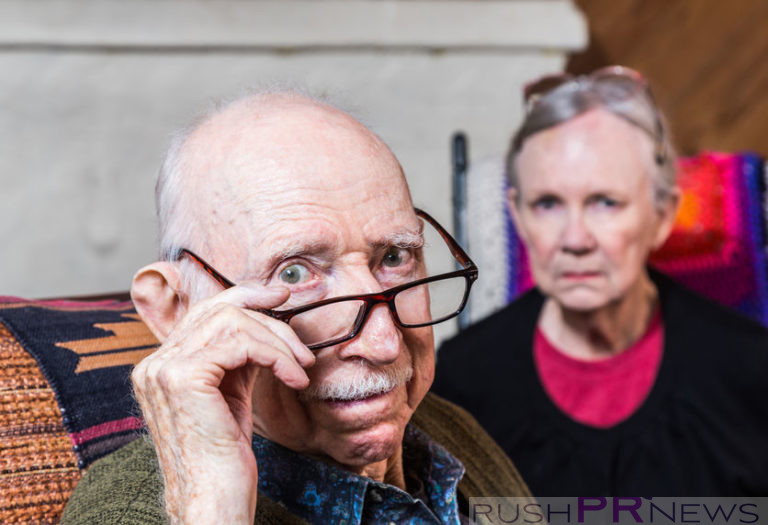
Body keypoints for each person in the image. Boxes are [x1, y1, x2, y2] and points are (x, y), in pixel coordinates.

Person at [60, 91, 532, 524]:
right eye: (293, 273)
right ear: (175, 309)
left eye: (393, 257)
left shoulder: (450, 427)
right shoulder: (121, 510)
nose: (385, 343)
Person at [432, 66, 768, 496]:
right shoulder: (464, 381)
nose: (575, 239)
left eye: (605, 203)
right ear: (517, 216)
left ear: (662, 215)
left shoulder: (749, 368)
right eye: (548, 203)